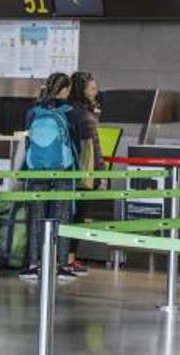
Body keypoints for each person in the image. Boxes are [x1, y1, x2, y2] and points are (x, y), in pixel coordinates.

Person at [21, 72, 89, 280]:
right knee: (62, 216)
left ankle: (33, 264)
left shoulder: (33, 112)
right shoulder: (74, 112)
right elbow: (81, 144)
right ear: (66, 90)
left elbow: (28, 141)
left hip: (37, 169)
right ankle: (60, 264)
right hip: (64, 170)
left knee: (36, 216)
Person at [67, 70, 104, 275]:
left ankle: (60, 257)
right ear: (82, 91)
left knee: (65, 215)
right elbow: (93, 149)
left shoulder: (65, 110)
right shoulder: (85, 116)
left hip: (65, 172)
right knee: (78, 216)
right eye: (92, 88)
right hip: (83, 176)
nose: (95, 92)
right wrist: (100, 175)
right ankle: (71, 259)